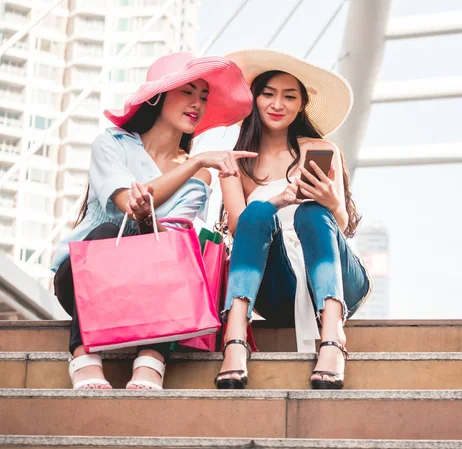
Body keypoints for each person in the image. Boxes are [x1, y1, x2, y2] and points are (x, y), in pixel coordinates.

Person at [51, 52, 255, 390]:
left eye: (203, 97)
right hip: (85, 278)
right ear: (158, 96)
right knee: (104, 232)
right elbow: (127, 204)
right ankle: (83, 354)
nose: (197, 104)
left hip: (153, 288)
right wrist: (194, 163)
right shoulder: (111, 145)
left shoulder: (200, 176)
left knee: (174, 249)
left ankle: (151, 358)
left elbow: (170, 237)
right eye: (187, 92)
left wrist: (190, 170)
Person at [216, 49, 372, 390]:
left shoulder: (321, 149)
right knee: (257, 211)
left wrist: (333, 202)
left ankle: (333, 340)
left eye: (289, 96)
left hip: (335, 280)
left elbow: (342, 226)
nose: (277, 104)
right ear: (254, 100)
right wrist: (277, 200)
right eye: (268, 94)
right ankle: (235, 339)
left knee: (312, 211)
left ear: (302, 104)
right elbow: (237, 228)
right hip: (276, 287)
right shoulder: (236, 163)